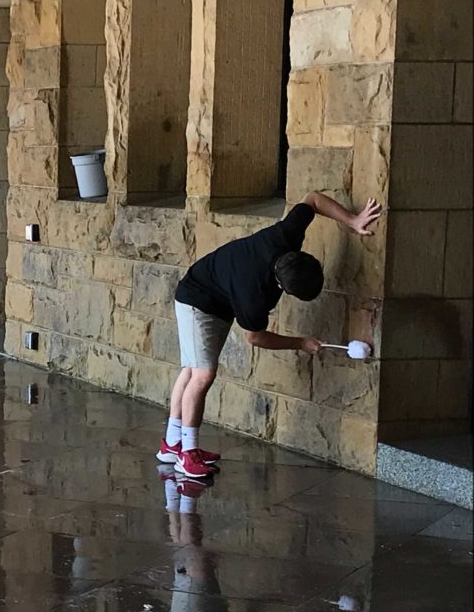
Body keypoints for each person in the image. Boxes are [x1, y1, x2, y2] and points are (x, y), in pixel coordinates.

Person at [160, 191, 383, 480]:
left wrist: (352, 220)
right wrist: (300, 343)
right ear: (282, 288)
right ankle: (187, 454)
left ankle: (171, 445)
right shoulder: (254, 295)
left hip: (216, 295)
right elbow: (255, 338)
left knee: (192, 370)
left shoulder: (286, 235)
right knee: (202, 374)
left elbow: (313, 199)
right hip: (196, 300)